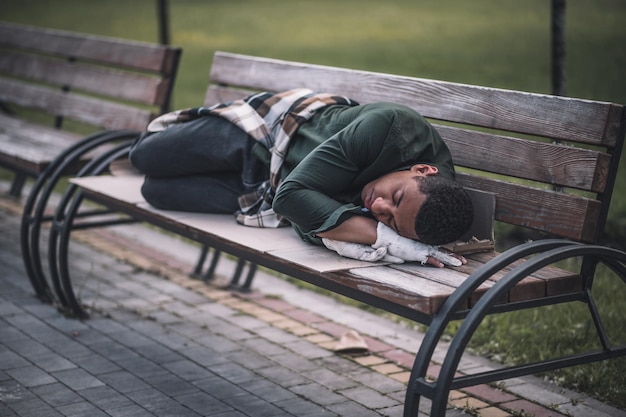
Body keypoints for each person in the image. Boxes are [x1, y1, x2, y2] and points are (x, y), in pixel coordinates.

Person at [129, 89, 473, 268]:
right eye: (395, 197)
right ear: (423, 170)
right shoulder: (390, 126)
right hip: (263, 136)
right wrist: (393, 241)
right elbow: (294, 197)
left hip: (262, 190)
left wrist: (389, 234)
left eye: (389, 220)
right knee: (142, 157)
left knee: (153, 190)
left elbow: (308, 225)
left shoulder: (427, 209)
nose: (378, 206)